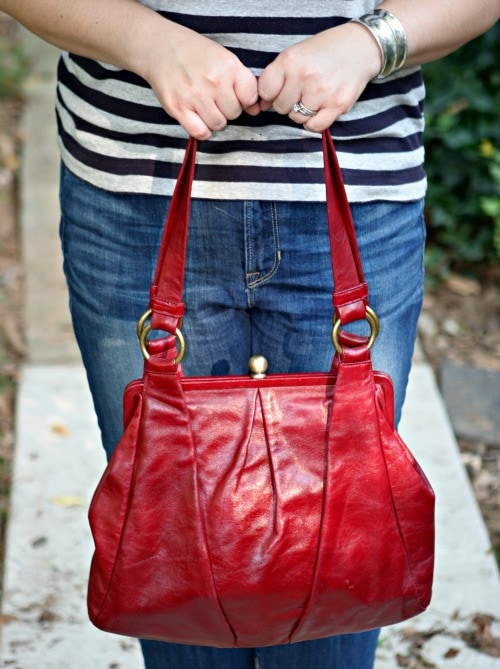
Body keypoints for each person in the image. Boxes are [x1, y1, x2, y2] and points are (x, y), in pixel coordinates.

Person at [1, 1, 498, 668]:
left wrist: (369, 43)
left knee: (342, 559)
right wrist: (145, 42)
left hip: (354, 190)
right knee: (178, 570)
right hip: (132, 192)